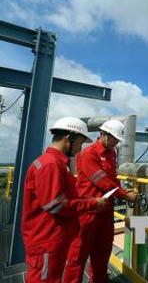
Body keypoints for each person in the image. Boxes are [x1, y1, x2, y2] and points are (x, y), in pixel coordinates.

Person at [21, 117, 108, 282]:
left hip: (51, 238)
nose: (80, 148)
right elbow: (56, 205)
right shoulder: (51, 165)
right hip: (47, 241)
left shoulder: (53, 163)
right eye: (80, 143)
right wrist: (93, 203)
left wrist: (83, 199)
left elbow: (58, 197)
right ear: (70, 138)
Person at [64, 119, 137, 283]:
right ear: (104, 135)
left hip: (106, 209)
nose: (117, 142)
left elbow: (113, 178)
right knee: (79, 252)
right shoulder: (89, 154)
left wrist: (122, 190)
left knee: (103, 248)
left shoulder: (112, 152)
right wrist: (125, 195)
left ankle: (100, 279)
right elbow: (102, 180)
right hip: (88, 210)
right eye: (115, 138)